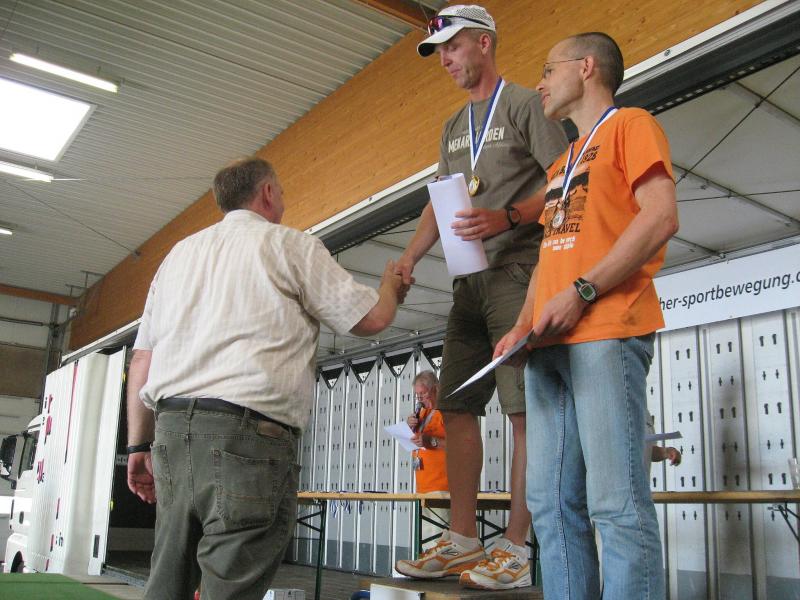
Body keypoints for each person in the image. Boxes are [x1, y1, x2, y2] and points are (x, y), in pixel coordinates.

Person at [126, 157, 408, 600]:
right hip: (247, 439)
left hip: (170, 433)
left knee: (167, 579)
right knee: (230, 586)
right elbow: (370, 320)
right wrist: (391, 287)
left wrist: (137, 446)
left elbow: (143, 358)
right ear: (268, 193)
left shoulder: (177, 256)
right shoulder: (290, 245)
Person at [494, 32, 679, 599]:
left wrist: (583, 291)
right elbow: (549, 258)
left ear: (587, 66)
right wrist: (520, 325)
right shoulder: (559, 163)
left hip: (606, 331)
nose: (540, 84)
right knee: (549, 504)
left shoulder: (631, 125)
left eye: (548, 70)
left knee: (616, 502)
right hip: (547, 346)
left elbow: (661, 216)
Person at [394, 4, 568, 590]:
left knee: (522, 411)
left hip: (518, 270)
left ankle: (515, 549)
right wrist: (410, 256)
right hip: (467, 280)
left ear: (484, 43)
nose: (444, 60)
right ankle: (463, 539)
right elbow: (439, 198)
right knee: (455, 404)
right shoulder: (451, 126)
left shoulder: (524, 104)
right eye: (439, 52)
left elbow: (567, 180)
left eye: (453, 47)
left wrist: (509, 216)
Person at [406, 370, 449, 549]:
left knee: (440, 537)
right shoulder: (422, 413)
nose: (420, 399)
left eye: (423, 394)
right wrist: (409, 427)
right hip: (423, 487)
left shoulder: (447, 412)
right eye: (417, 395)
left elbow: (458, 445)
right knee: (426, 537)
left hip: (442, 487)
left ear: (436, 389)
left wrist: (431, 441)